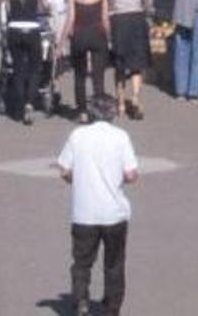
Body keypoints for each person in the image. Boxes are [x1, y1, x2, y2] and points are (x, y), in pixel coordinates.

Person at [56, 94, 139, 316]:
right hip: (114, 212)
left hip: (84, 212)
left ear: (91, 113)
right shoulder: (121, 137)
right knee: (114, 263)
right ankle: (112, 306)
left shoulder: (77, 135)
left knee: (82, 262)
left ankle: (81, 301)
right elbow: (131, 175)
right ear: (113, 113)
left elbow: (64, 169)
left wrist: (75, 178)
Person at [103, 0, 153, 120]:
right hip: (137, 19)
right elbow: (148, 1)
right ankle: (136, 98)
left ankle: (121, 103)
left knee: (119, 64)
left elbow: (106, 1)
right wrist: (145, 12)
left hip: (119, 21)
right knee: (137, 64)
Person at [1, 0, 49, 125]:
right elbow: (45, 4)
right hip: (32, 29)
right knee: (36, 68)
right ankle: (30, 102)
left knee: (18, 69)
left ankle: (20, 104)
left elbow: (5, 5)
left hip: (15, 29)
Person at [61, 0, 110, 123]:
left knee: (79, 76)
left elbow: (70, 19)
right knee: (98, 76)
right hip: (97, 34)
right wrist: (110, 38)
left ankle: (82, 111)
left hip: (80, 35)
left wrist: (61, 41)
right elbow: (104, 19)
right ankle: (99, 110)